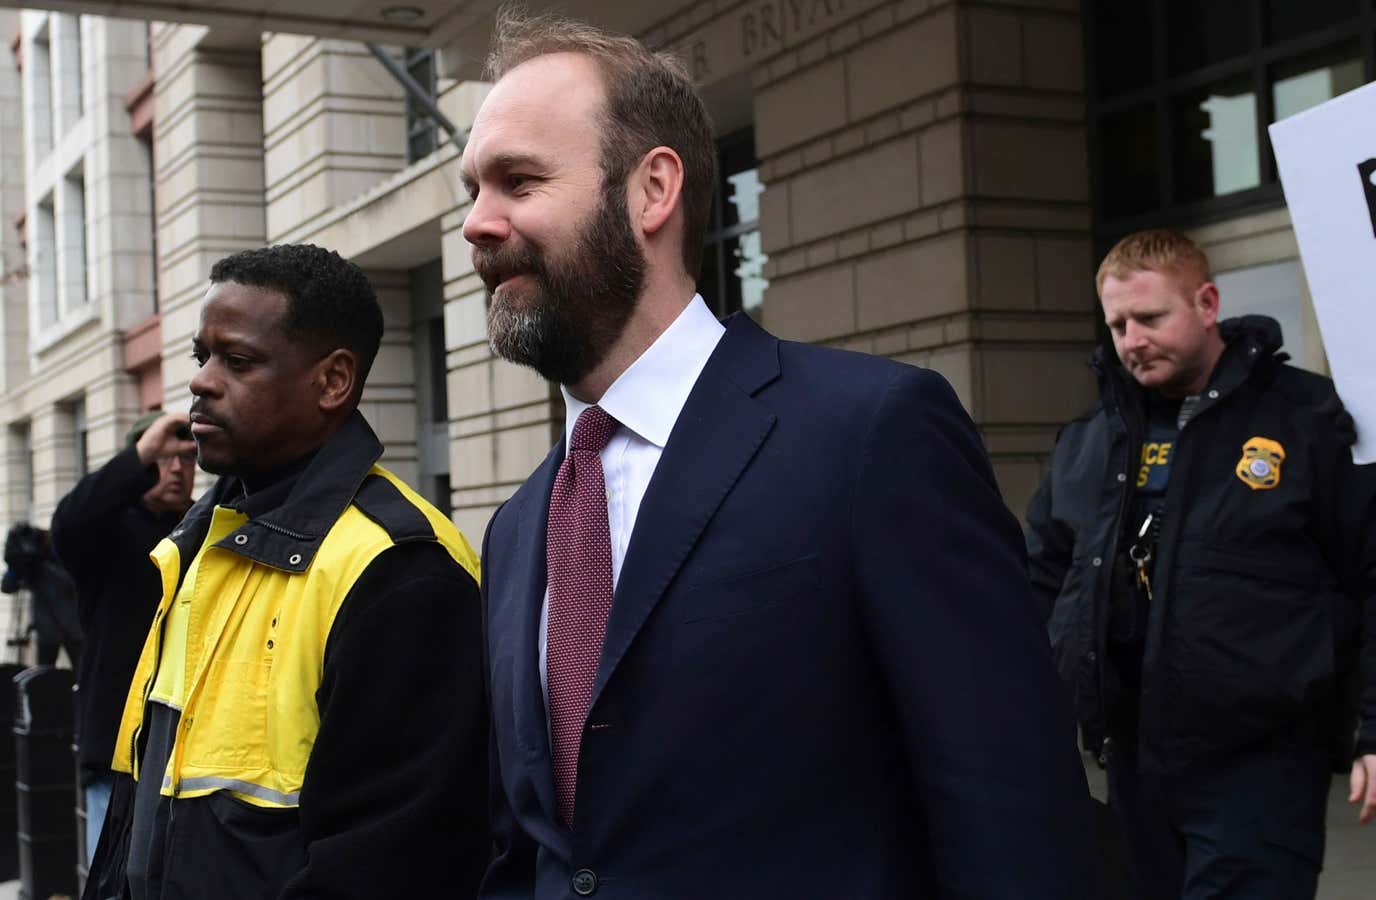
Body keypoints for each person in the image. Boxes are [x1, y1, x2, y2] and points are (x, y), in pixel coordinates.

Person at [461, 11, 1095, 898]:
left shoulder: (872, 433)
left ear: (652, 190)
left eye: (518, 182)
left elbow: (1012, 811)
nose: (477, 225)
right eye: (471, 191)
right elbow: (529, 845)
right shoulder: (520, 527)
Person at [83, 244, 488, 900]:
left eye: (237, 360)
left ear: (332, 381)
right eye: (201, 356)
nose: (201, 381)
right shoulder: (198, 543)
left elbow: (392, 863)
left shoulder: (400, 568)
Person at [1026, 229, 1376, 900]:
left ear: (1207, 302)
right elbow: (1042, 582)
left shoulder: (1305, 418)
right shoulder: (1092, 440)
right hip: (1131, 762)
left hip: (1262, 763)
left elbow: (1371, 573)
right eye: (1119, 324)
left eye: (1150, 318)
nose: (1132, 340)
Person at [51, 412, 194, 864]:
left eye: (187, 460)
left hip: (185, 746)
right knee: (111, 874)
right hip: (115, 743)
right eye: (164, 459)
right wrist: (138, 457)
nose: (176, 470)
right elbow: (68, 524)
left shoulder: (202, 530)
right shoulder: (104, 534)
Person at [0, 523, 83, 668]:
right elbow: (7, 587)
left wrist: (42, 563)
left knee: (82, 672)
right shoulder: (31, 567)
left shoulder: (57, 558)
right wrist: (15, 567)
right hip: (46, 630)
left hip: (72, 628)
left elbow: (69, 583)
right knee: (44, 675)